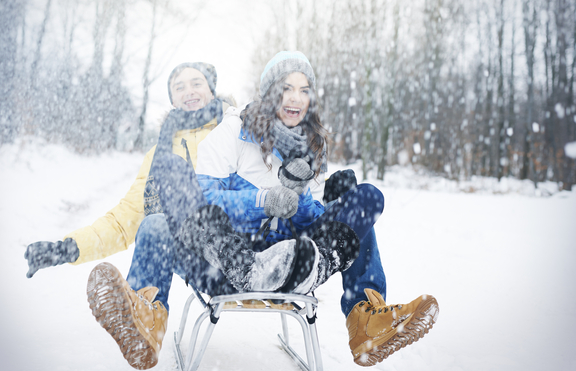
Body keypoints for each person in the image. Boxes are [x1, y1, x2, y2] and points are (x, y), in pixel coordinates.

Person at [193, 51, 440, 367]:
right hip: (243, 255)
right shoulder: (234, 132)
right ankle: (359, 313)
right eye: (286, 88)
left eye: (304, 89)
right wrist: (263, 202)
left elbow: (306, 217)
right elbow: (203, 199)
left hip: (300, 251)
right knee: (346, 207)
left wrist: (321, 200)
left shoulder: (305, 145)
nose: (296, 97)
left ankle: (365, 316)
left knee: (363, 196)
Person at [24, 62, 231, 369]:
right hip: (199, 263)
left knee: (169, 222)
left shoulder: (236, 132)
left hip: (240, 256)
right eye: (180, 86)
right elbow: (125, 219)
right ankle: (145, 320)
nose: (189, 91)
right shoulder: (159, 153)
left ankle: (143, 315)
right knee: (155, 224)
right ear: (173, 100)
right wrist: (67, 247)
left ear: (212, 90)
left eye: (196, 83)